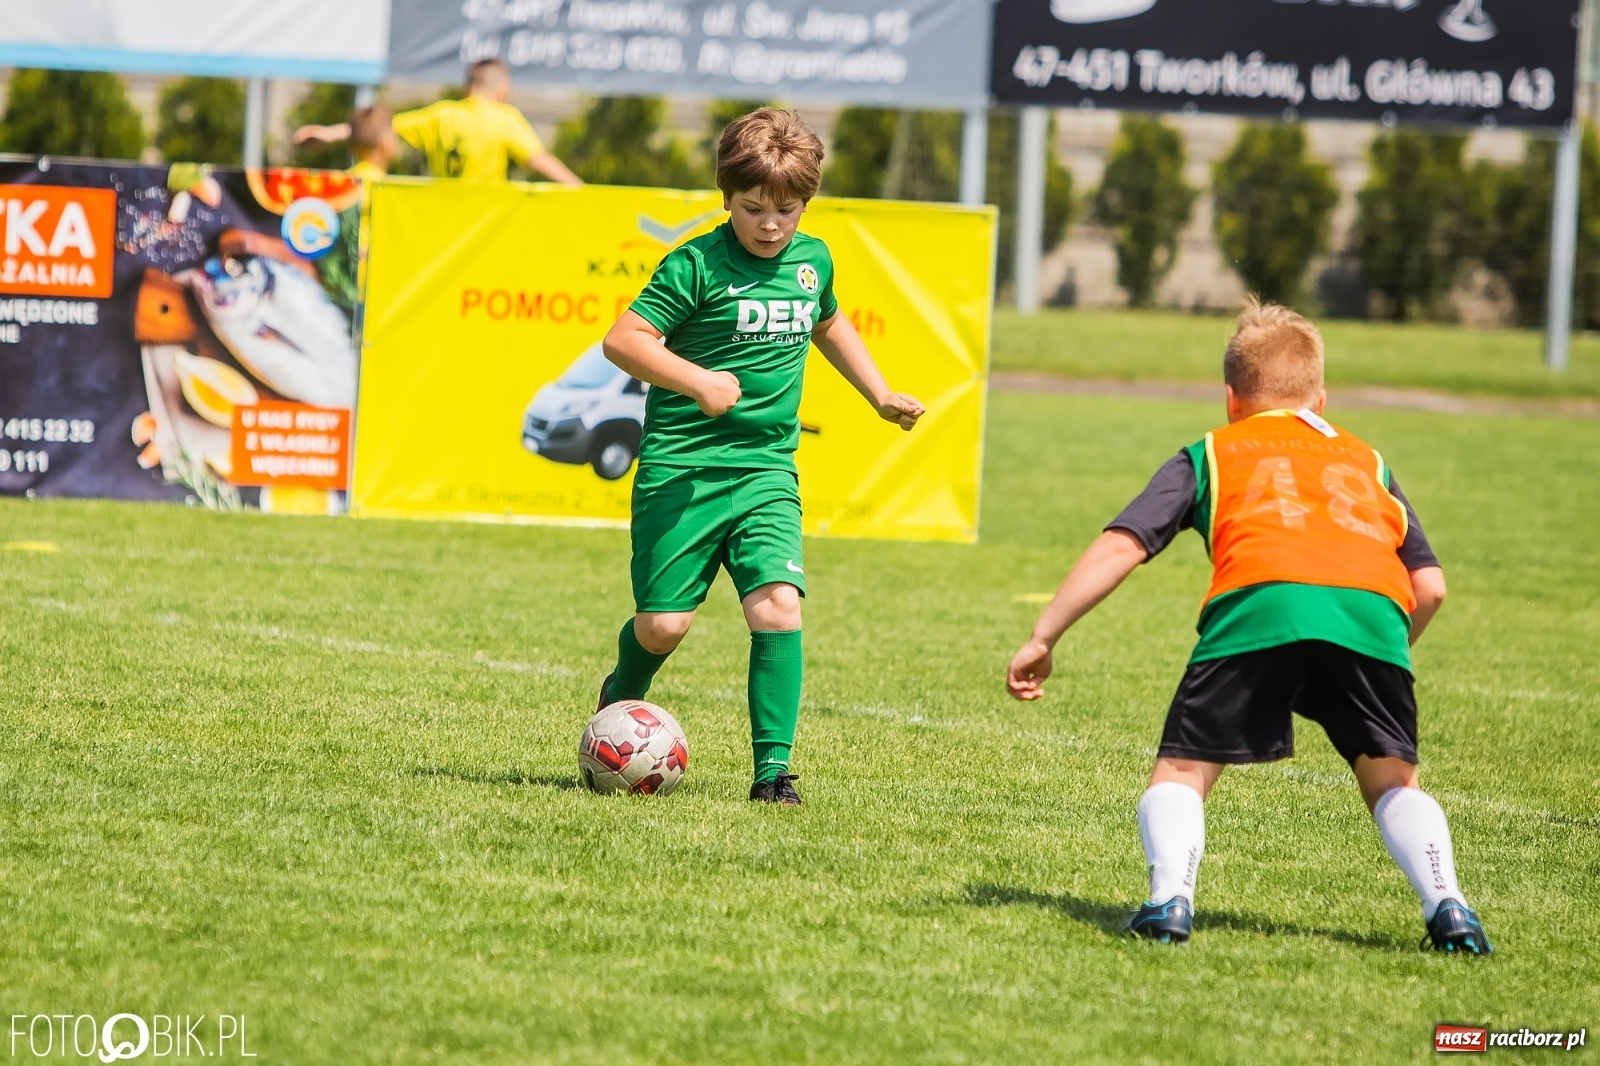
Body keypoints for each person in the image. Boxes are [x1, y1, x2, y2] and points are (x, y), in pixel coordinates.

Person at [1005, 299, 1491, 954]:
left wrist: (1044, 635)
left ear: (1231, 399)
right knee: (1394, 781)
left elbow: (1124, 545)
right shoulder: (1366, 460)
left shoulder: (1213, 450)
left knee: (1181, 771)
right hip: (1371, 617)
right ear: (1320, 398)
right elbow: (1430, 586)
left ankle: (1169, 901)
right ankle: (1450, 907)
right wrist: (1383, 651)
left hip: (1259, 608)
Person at [597, 108, 925, 806]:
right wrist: (699, 382)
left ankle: (773, 773)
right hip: (682, 469)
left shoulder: (814, 260)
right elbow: (624, 341)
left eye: (788, 210)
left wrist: (878, 392)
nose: (771, 225)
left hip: (766, 469)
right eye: (753, 209)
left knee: (778, 607)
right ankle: (617, 707)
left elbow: (828, 321)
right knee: (663, 627)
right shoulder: (696, 263)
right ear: (726, 197)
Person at [293, 60, 582, 186]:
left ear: (467, 88)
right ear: (503, 88)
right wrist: (581, 189)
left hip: (440, 214)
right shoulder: (504, 119)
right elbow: (540, 159)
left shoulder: (441, 114)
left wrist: (330, 134)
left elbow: (380, 128)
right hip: (485, 222)